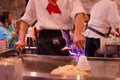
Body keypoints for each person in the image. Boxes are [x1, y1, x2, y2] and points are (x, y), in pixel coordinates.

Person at [14, 0, 85, 55]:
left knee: (64, 69)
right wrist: (21, 40)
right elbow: (26, 19)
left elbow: (79, 13)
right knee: (44, 69)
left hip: (63, 38)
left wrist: (78, 33)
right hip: (44, 39)